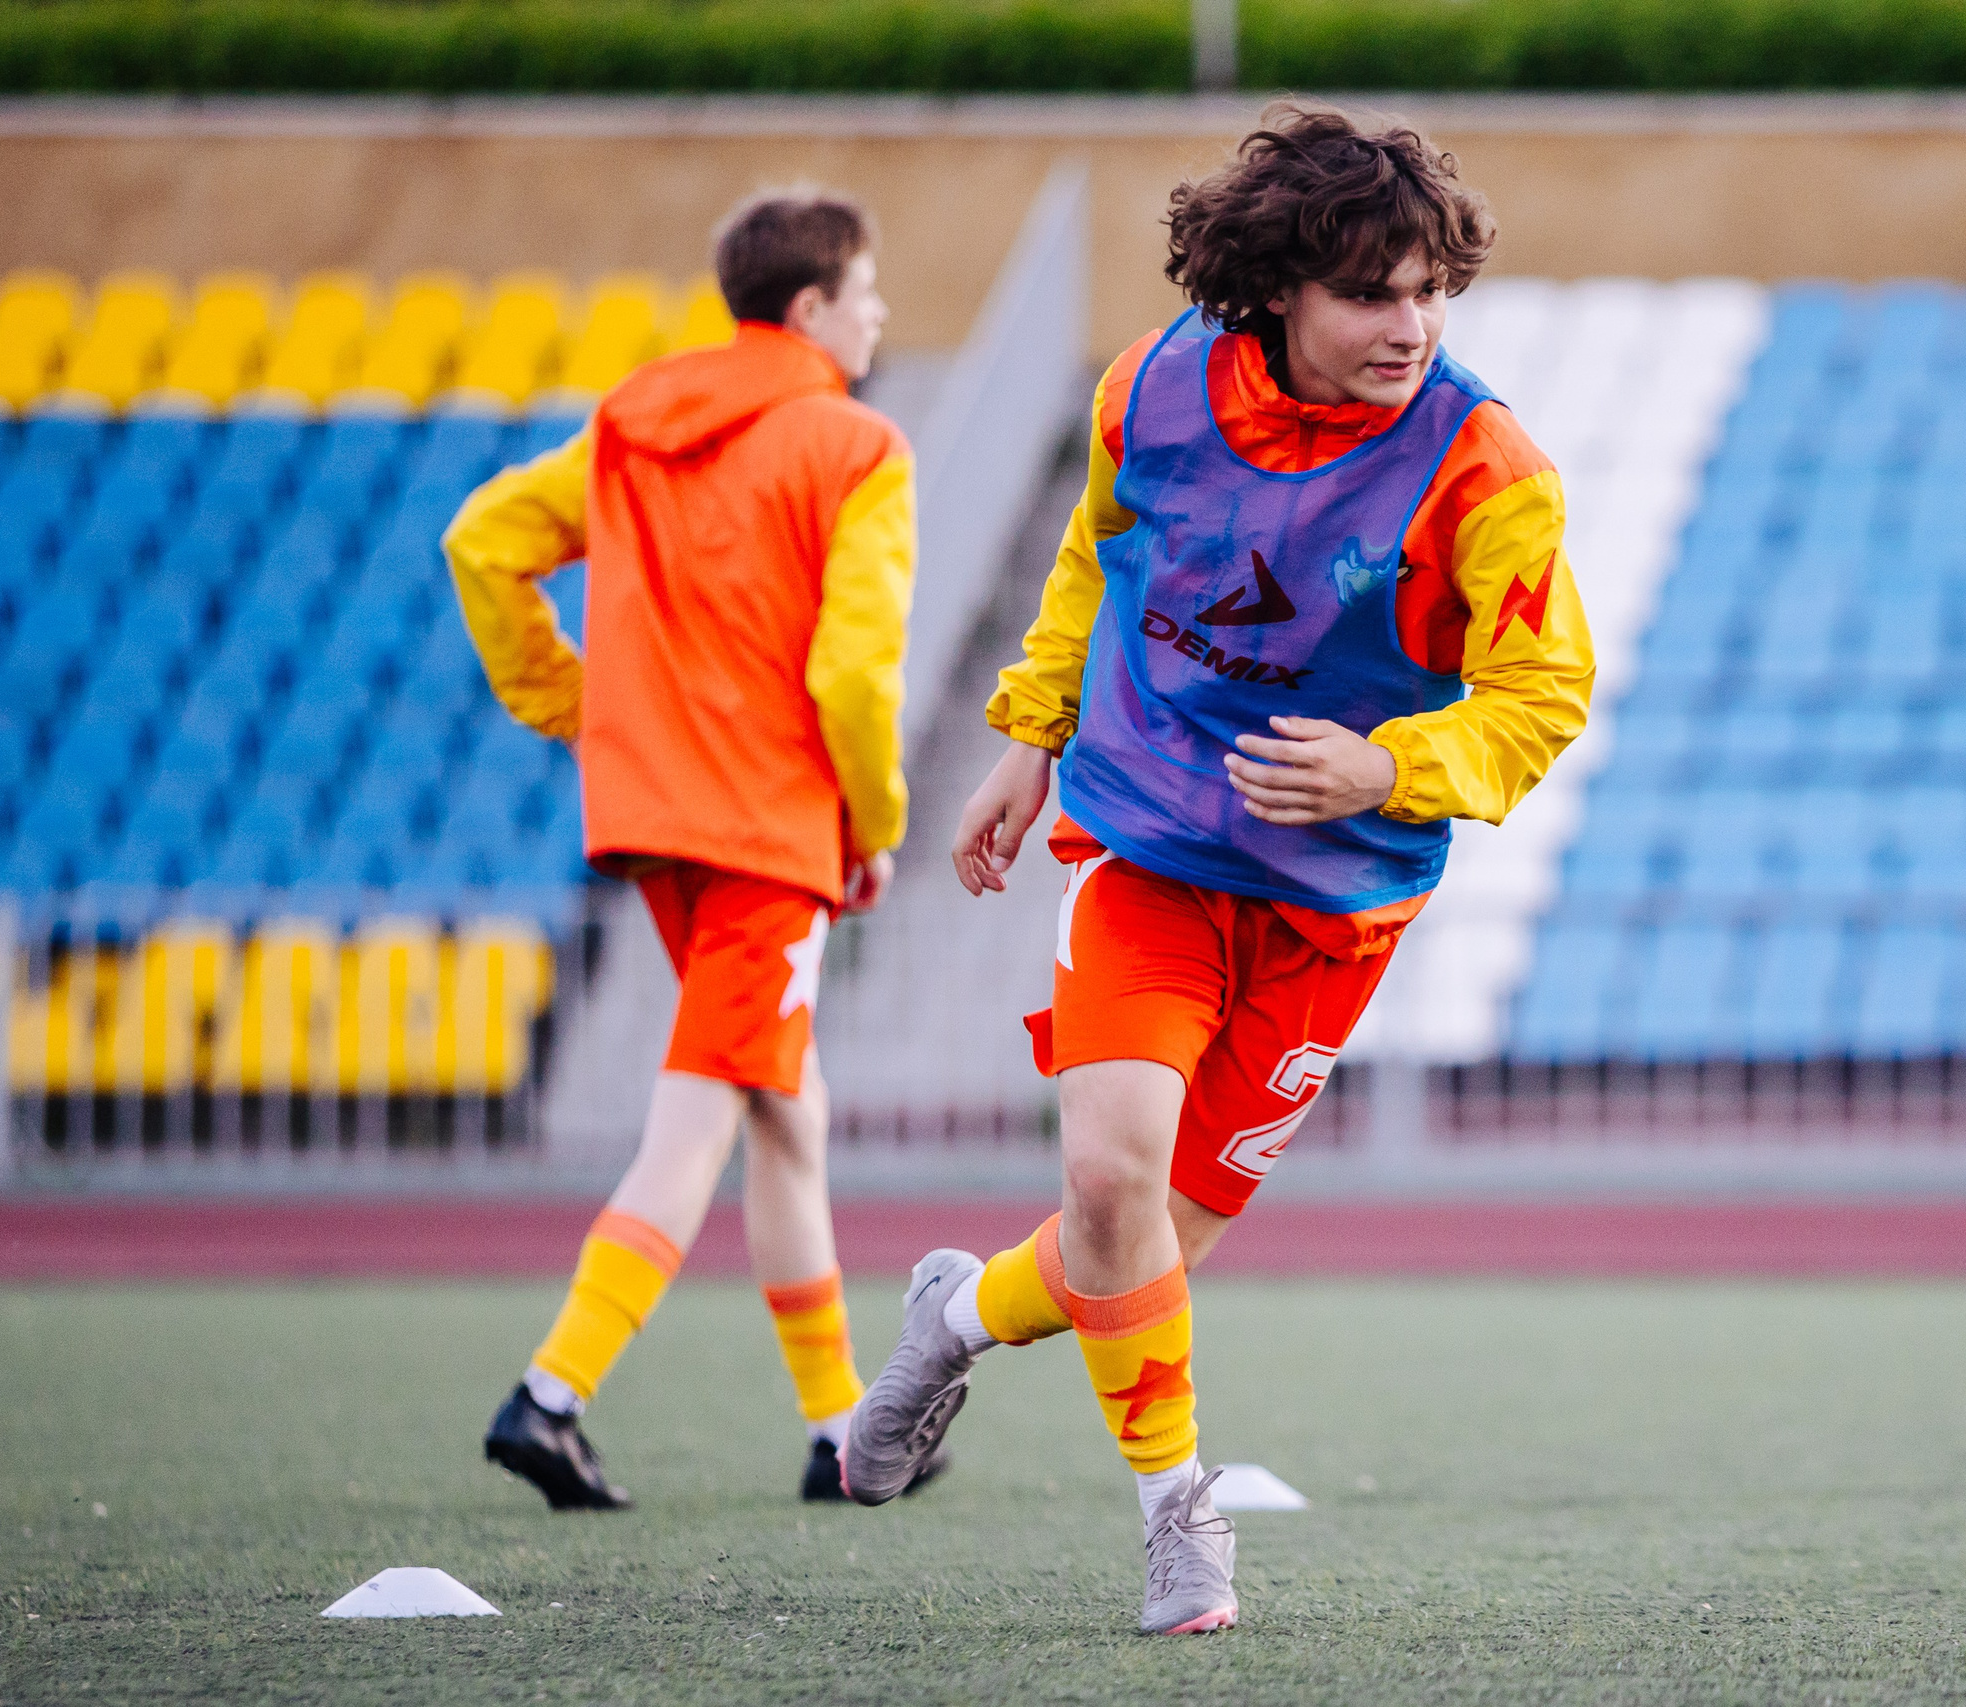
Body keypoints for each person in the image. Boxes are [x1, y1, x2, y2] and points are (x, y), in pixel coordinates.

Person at [845, 104, 1595, 1633]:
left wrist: (1386, 767)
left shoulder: (1487, 465)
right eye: (1371, 294)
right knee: (1110, 1180)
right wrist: (1031, 729)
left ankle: (956, 1313)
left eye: (1429, 291)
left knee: (1149, 1247)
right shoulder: (1153, 391)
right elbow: (1093, 555)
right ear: (1277, 291)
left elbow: (1544, 696)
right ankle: (1178, 1519)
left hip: (1341, 906)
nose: (1411, 324)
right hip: (1153, 841)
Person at [443, 187, 925, 1509]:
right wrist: (872, 825)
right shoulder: (858, 446)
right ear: (815, 304)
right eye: (867, 290)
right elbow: (854, 677)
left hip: (656, 820)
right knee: (704, 1114)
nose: (881, 312)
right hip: (770, 829)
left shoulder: (633, 421)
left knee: (789, 1112)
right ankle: (552, 1396)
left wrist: (573, 703)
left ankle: (843, 1431)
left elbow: (482, 543)